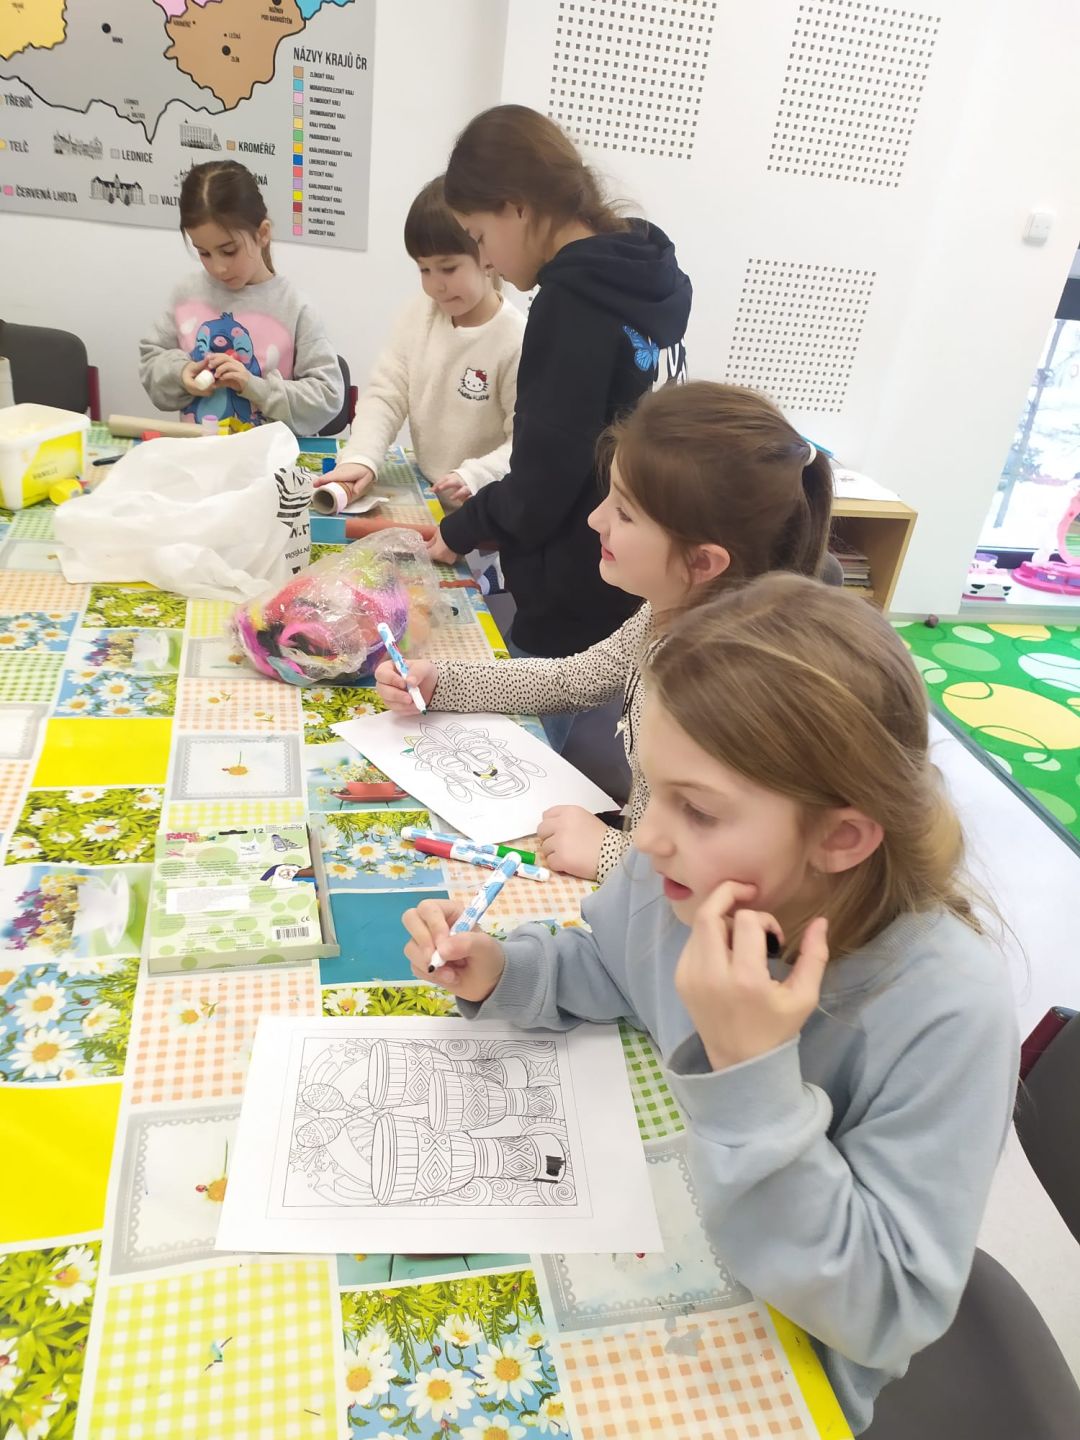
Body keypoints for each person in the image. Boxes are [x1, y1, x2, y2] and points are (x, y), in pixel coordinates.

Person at [402, 572, 1018, 1437]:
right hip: (649, 1249)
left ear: (841, 836)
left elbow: (888, 1309)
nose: (647, 836)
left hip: (784, 1360)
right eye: (652, 789)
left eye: (695, 809)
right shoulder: (681, 878)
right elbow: (613, 964)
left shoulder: (947, 1010)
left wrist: (751, 1073)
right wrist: (506, 972)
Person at [375, 382, 832, 880]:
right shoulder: (673, 610)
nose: (595, 519)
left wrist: (613, 854)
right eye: (607, 498)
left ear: (702, 562)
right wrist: (441, 682)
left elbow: (727, 872)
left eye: (624, 513)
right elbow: (573, 680)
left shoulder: (730, 694)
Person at [431, 103, 692, 676]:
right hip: (630, 574)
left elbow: (544, 477)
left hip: (573, 587)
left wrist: (463, 528)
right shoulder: (640, 281)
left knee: (538, 721)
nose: (486, 261)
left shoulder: (570, 304)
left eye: (480, 236)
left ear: (517, 207)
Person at [318, 177, 525, 512]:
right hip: (427, 492)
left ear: (487, 256)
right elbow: (386, 394)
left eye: (448, 268)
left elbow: (524, 444)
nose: (435, 286)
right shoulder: (420, 314)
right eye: (424, 269)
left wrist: (475, 475)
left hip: (483, 506)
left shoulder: (514, 339)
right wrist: (361, 456)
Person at [139, 160, 343, 434]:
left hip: (270, 457)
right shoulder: (186, 294)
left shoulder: (295, 307)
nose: (218, 267)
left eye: (229, 251)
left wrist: (254, 387)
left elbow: (327, 396)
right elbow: (151, 361)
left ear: (263, 234)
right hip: (200, 453)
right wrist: (180, 374)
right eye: (204, 253)